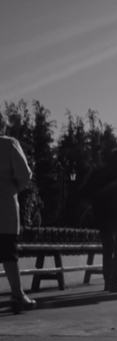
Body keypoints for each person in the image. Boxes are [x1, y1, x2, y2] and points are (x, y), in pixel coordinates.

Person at [81, 149, 117, 292]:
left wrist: (96, 205)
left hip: (103, 216)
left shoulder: (98, 173)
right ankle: (116, 281)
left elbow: (86, 191)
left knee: (107, 249)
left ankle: (107, 281)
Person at [0, 118, 37, 313]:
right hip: (5, 206)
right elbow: (24, 173)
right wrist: (14, 188)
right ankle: (17, 294)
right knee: (8, 252)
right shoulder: (9, 144)